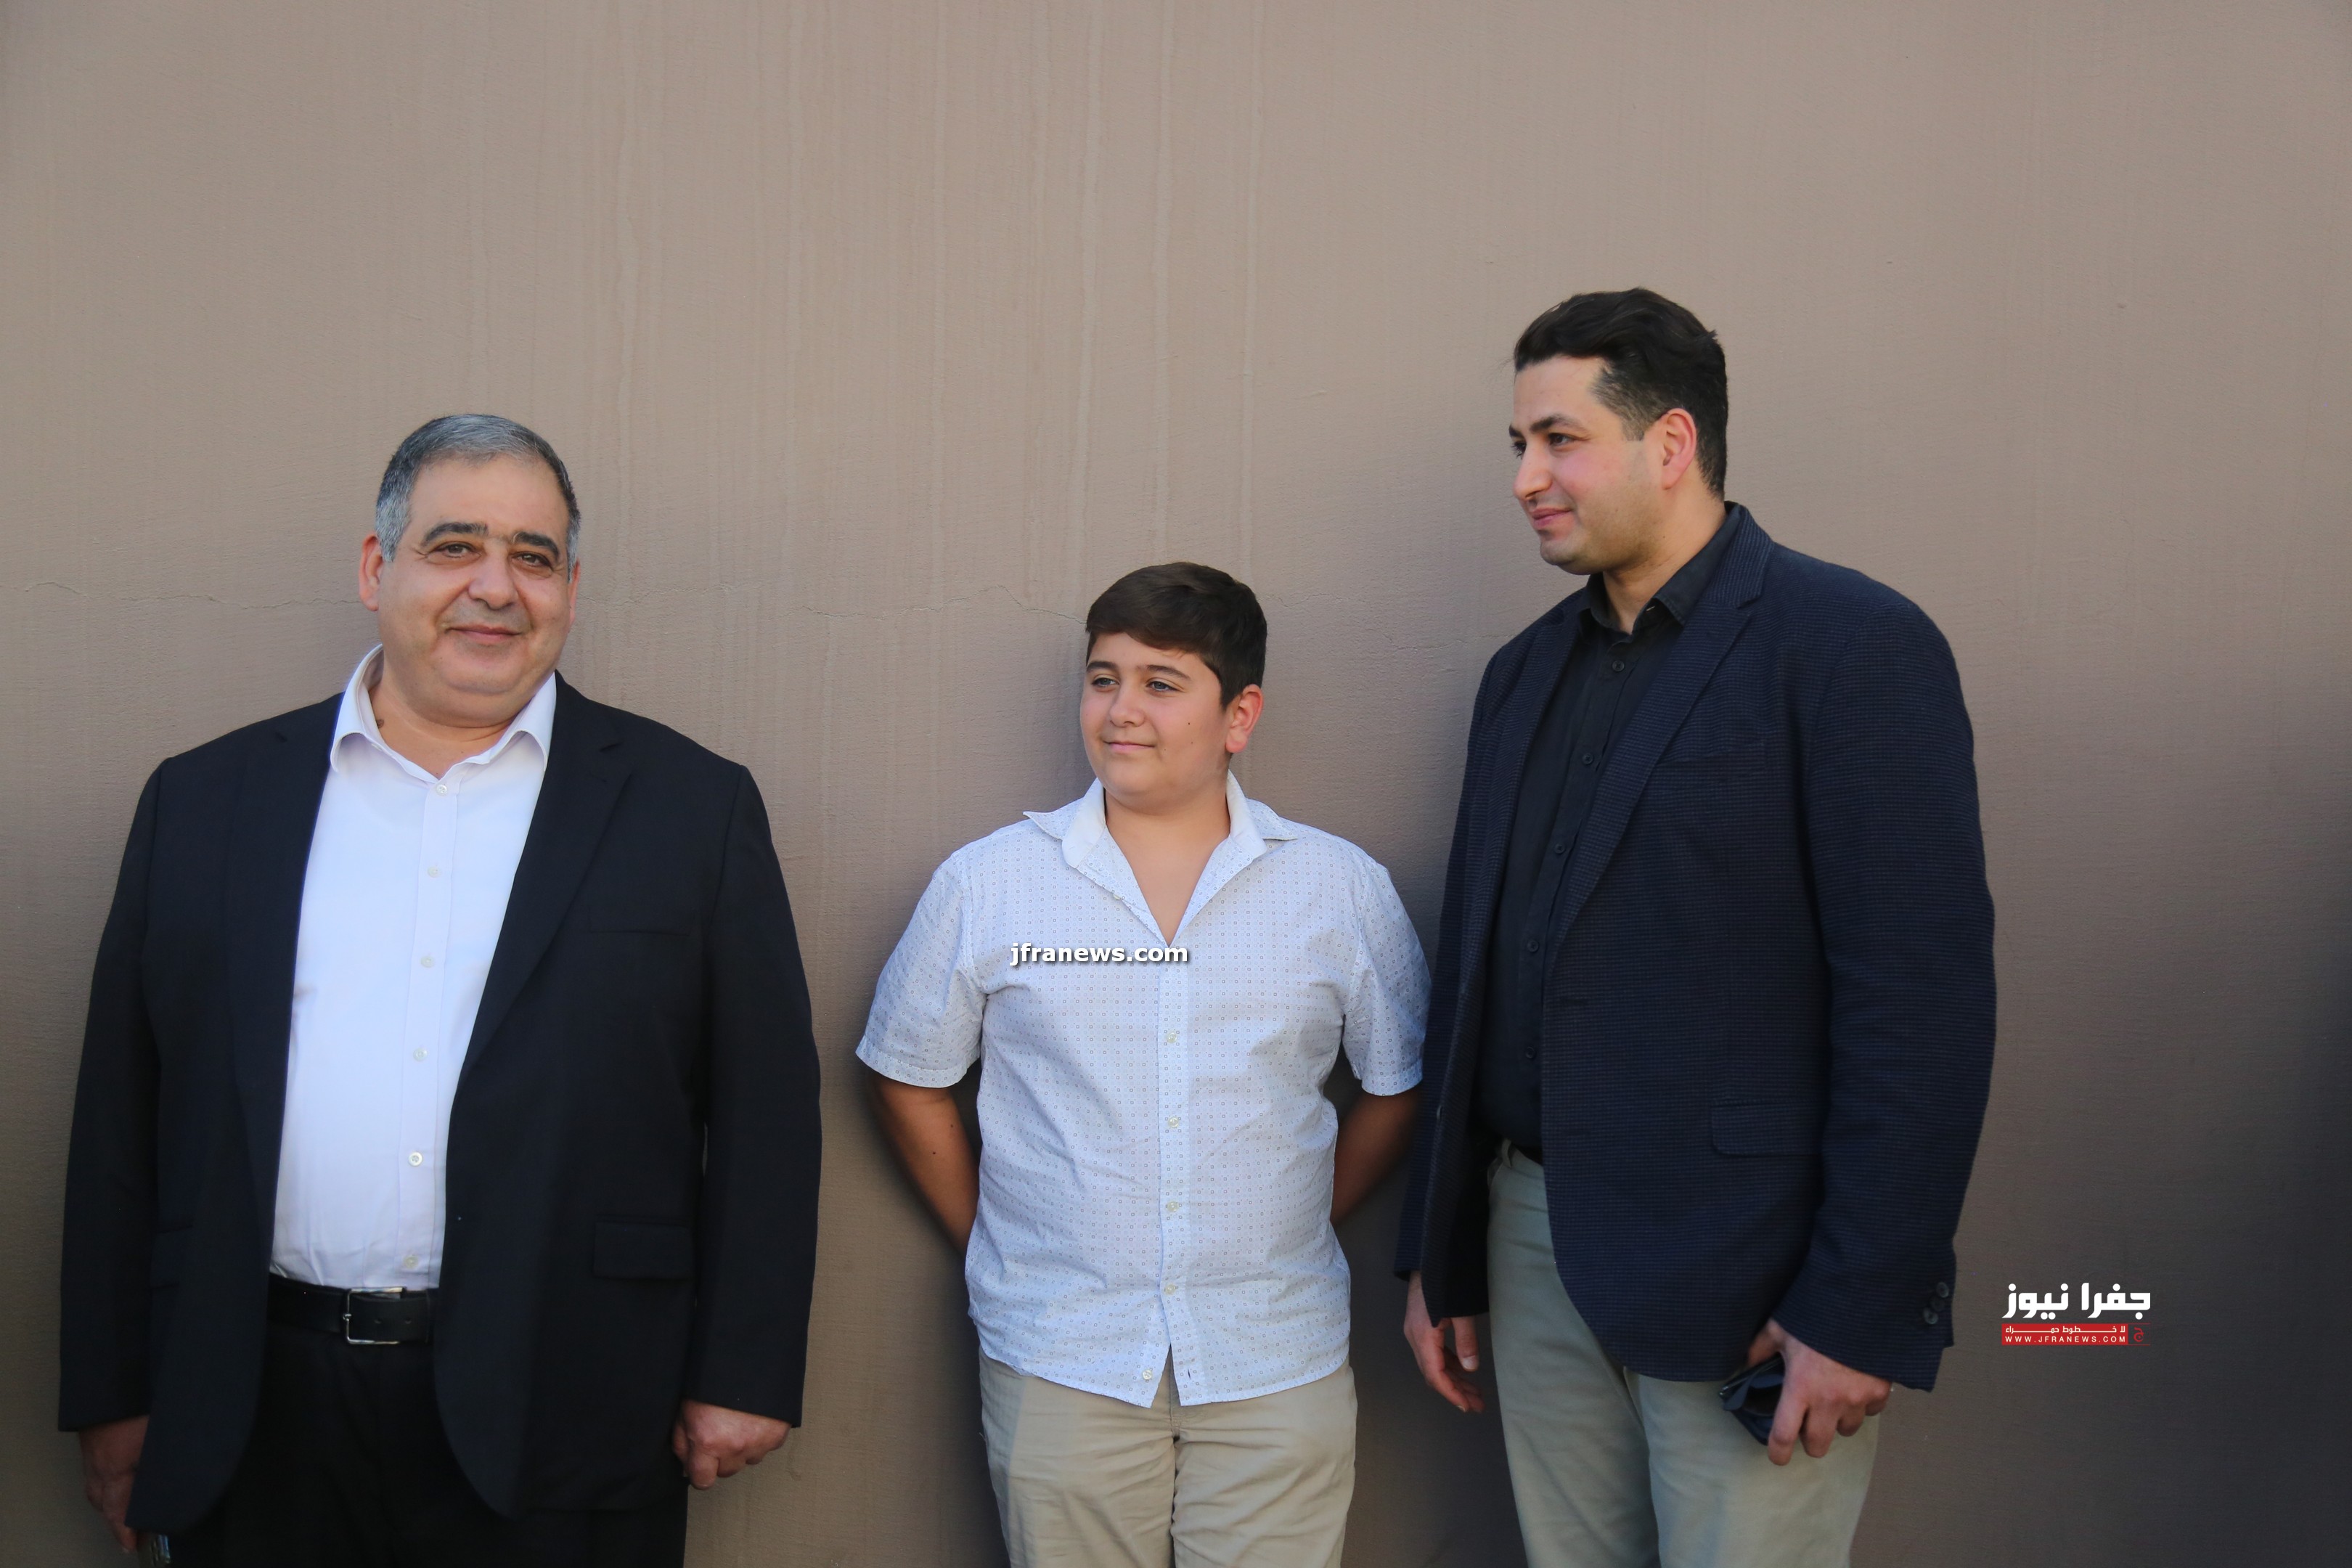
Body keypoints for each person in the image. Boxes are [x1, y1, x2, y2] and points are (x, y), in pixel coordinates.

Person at [59, 415, 822, 1566]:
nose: (495, 588)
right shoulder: (206, 801)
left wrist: (745, 1369)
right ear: (378, 569)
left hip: (569, 1395)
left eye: (533, 556)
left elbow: (766, 1115)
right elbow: (122, 1115)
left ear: (570, 589)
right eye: (455, 546)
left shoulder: (690, 809)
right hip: (255, 1405)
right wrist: (113, 1391)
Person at [1393, 290, 1996, 1567]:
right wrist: (1442, 1253)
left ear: (1670, 443)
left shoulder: (1853, 648)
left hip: (1752, 1278)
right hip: (1531, 1246)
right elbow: (1477, 971)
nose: (1525, 478)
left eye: (1559, 440)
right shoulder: (1520, 677)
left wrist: (1860, 1307)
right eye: (1519, 444)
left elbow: (1921, 1010)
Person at [859, 563, 1428, 1568]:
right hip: (1060, 1351)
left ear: (1239, 714)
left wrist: (1298, 1213)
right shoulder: (990, 884)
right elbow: (908, 1072)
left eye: (1161, 683)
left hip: (1273, 1356)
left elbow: (1399, 1083)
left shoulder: (1337, 889)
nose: (1121, 710)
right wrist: (993, 1237)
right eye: (1103, 678)